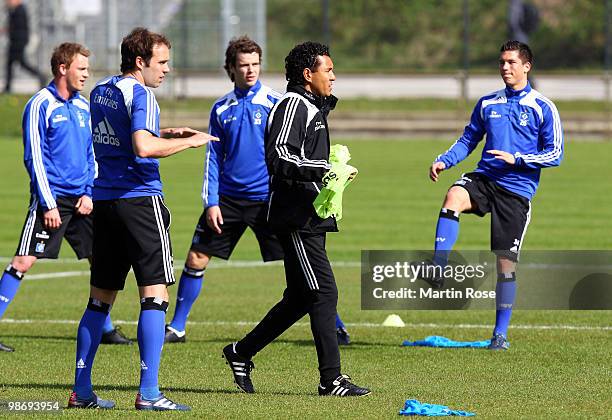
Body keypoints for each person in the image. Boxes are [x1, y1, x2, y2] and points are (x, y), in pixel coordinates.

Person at [164, 36, 352, 346]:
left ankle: (334, 324)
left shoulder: (277, 103)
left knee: (304, 265)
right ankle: (178, 327)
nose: (250, 70)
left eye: (255, 64)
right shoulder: (221, 108)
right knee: (197, 257)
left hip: (268, 199)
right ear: (230, 69)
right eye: (243, 65)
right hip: (228, 201)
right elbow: (213, 156)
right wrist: (211, 202)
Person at [68, 28, 216, 411]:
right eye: (162, 61)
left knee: (99, 300)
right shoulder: (143, 93)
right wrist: (188, 142)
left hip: (105, 203)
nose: (167, 69)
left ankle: (81, 392)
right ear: (140, 61)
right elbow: (143, 147)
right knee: (154, 295)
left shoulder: (101, 89)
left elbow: (116, 137)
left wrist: (164, 131)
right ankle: (149, 393)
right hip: (139, 202)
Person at [221, 41, 370, 397]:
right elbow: (279, 156)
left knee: (300, 298)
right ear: (308, 75)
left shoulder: (311, 106)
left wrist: (330, 170)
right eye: (328, 70)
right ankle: (330, 380)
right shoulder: (293, 104)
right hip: (294, 218)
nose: (333, 76)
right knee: (323, 291)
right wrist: (323, 167)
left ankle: (240, 352)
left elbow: (301, 156)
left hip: (309, 215)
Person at [425, 40, 563, 350]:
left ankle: (499, 334)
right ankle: (438, 265)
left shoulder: (542, 107)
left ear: (526, 66)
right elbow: (468, 139)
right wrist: (444, 160)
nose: (505, 67)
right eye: (502, 62)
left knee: (505, 265)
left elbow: (555, 153)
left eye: (512, 62)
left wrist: (519, 159)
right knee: (453, 197)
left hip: (517, 190)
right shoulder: (488, 103)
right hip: (485, 179)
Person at [0, 42, 129, 354]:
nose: (87, 74)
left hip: (83, 201)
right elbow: (34, 159)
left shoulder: (85, 107)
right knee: (23, 261)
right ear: (62, 68)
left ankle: (106, 328)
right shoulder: (40, 104)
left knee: (101, 261)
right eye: (81, 69)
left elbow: (92, 154)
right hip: (52, 202)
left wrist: (88, 193)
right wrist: (48, 203)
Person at [3, 0, 45, 93]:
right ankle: (8, 87)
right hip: (14, 41)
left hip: (18, 42)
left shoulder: (20, 10)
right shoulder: (15, 10)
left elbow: (18, 28)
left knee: (22, 64)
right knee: (10, 64)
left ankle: (41, 76)